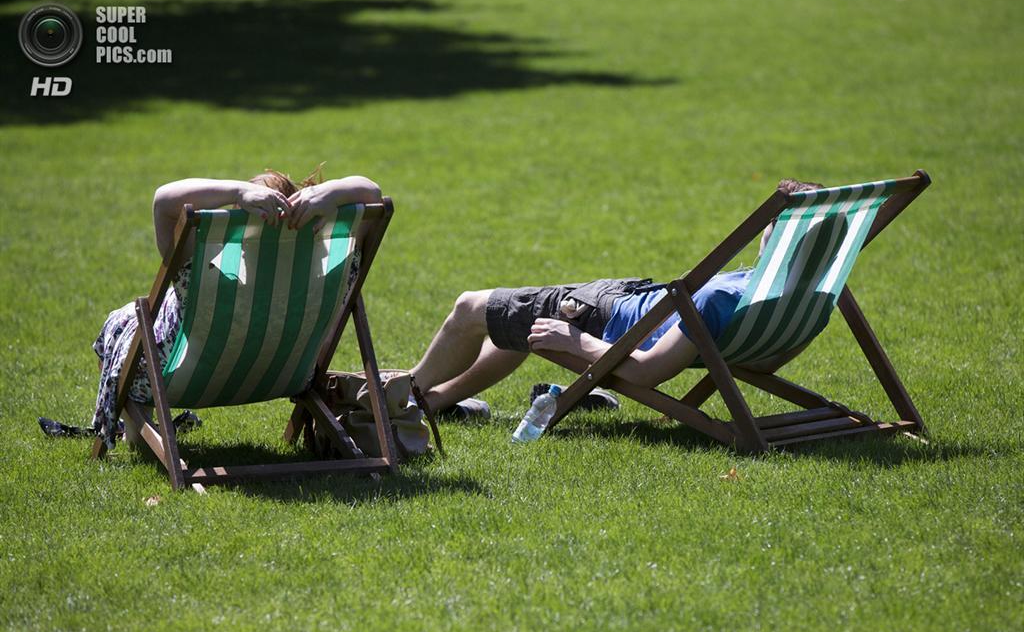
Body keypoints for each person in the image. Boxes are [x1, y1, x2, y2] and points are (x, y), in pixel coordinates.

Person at [410, 178, 823, 420]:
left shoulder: (719, 296)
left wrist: (575, 343)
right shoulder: (815, 298)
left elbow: (645, 373)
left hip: (603, 318)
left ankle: (409, 395)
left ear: (774, 235)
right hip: (627, 303)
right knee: (510, 319)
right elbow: (763, 363)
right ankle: (439, 399)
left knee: (470, 307)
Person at [88, 168, 384, 450]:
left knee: (125, 318)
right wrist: (328, 193)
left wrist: (238, 191)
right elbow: (373, 194)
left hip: (177, 382)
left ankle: (138, 424)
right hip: (286, 375)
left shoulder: (204, 270)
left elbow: (163, 199)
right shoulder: (331, 271)